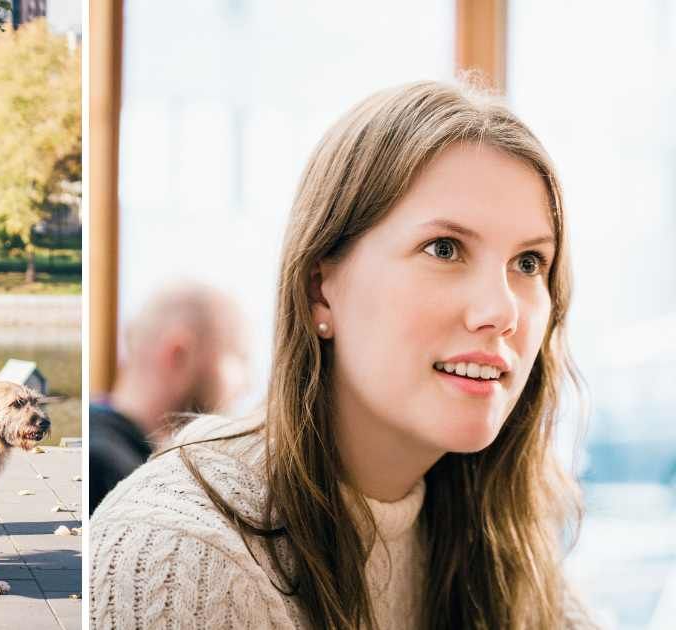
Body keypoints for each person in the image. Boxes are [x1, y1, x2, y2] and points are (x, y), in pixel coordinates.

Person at [89, 81, 601, 629]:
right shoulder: (183, 555)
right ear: (320, 290)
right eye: (444, 249)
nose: (502, 310)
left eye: (528, 263)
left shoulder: (504, 541)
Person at [90, 283, 247, 514]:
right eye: (240, 357)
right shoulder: (114, 475)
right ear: (179, 354)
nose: (247, 383)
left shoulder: (110, 445)